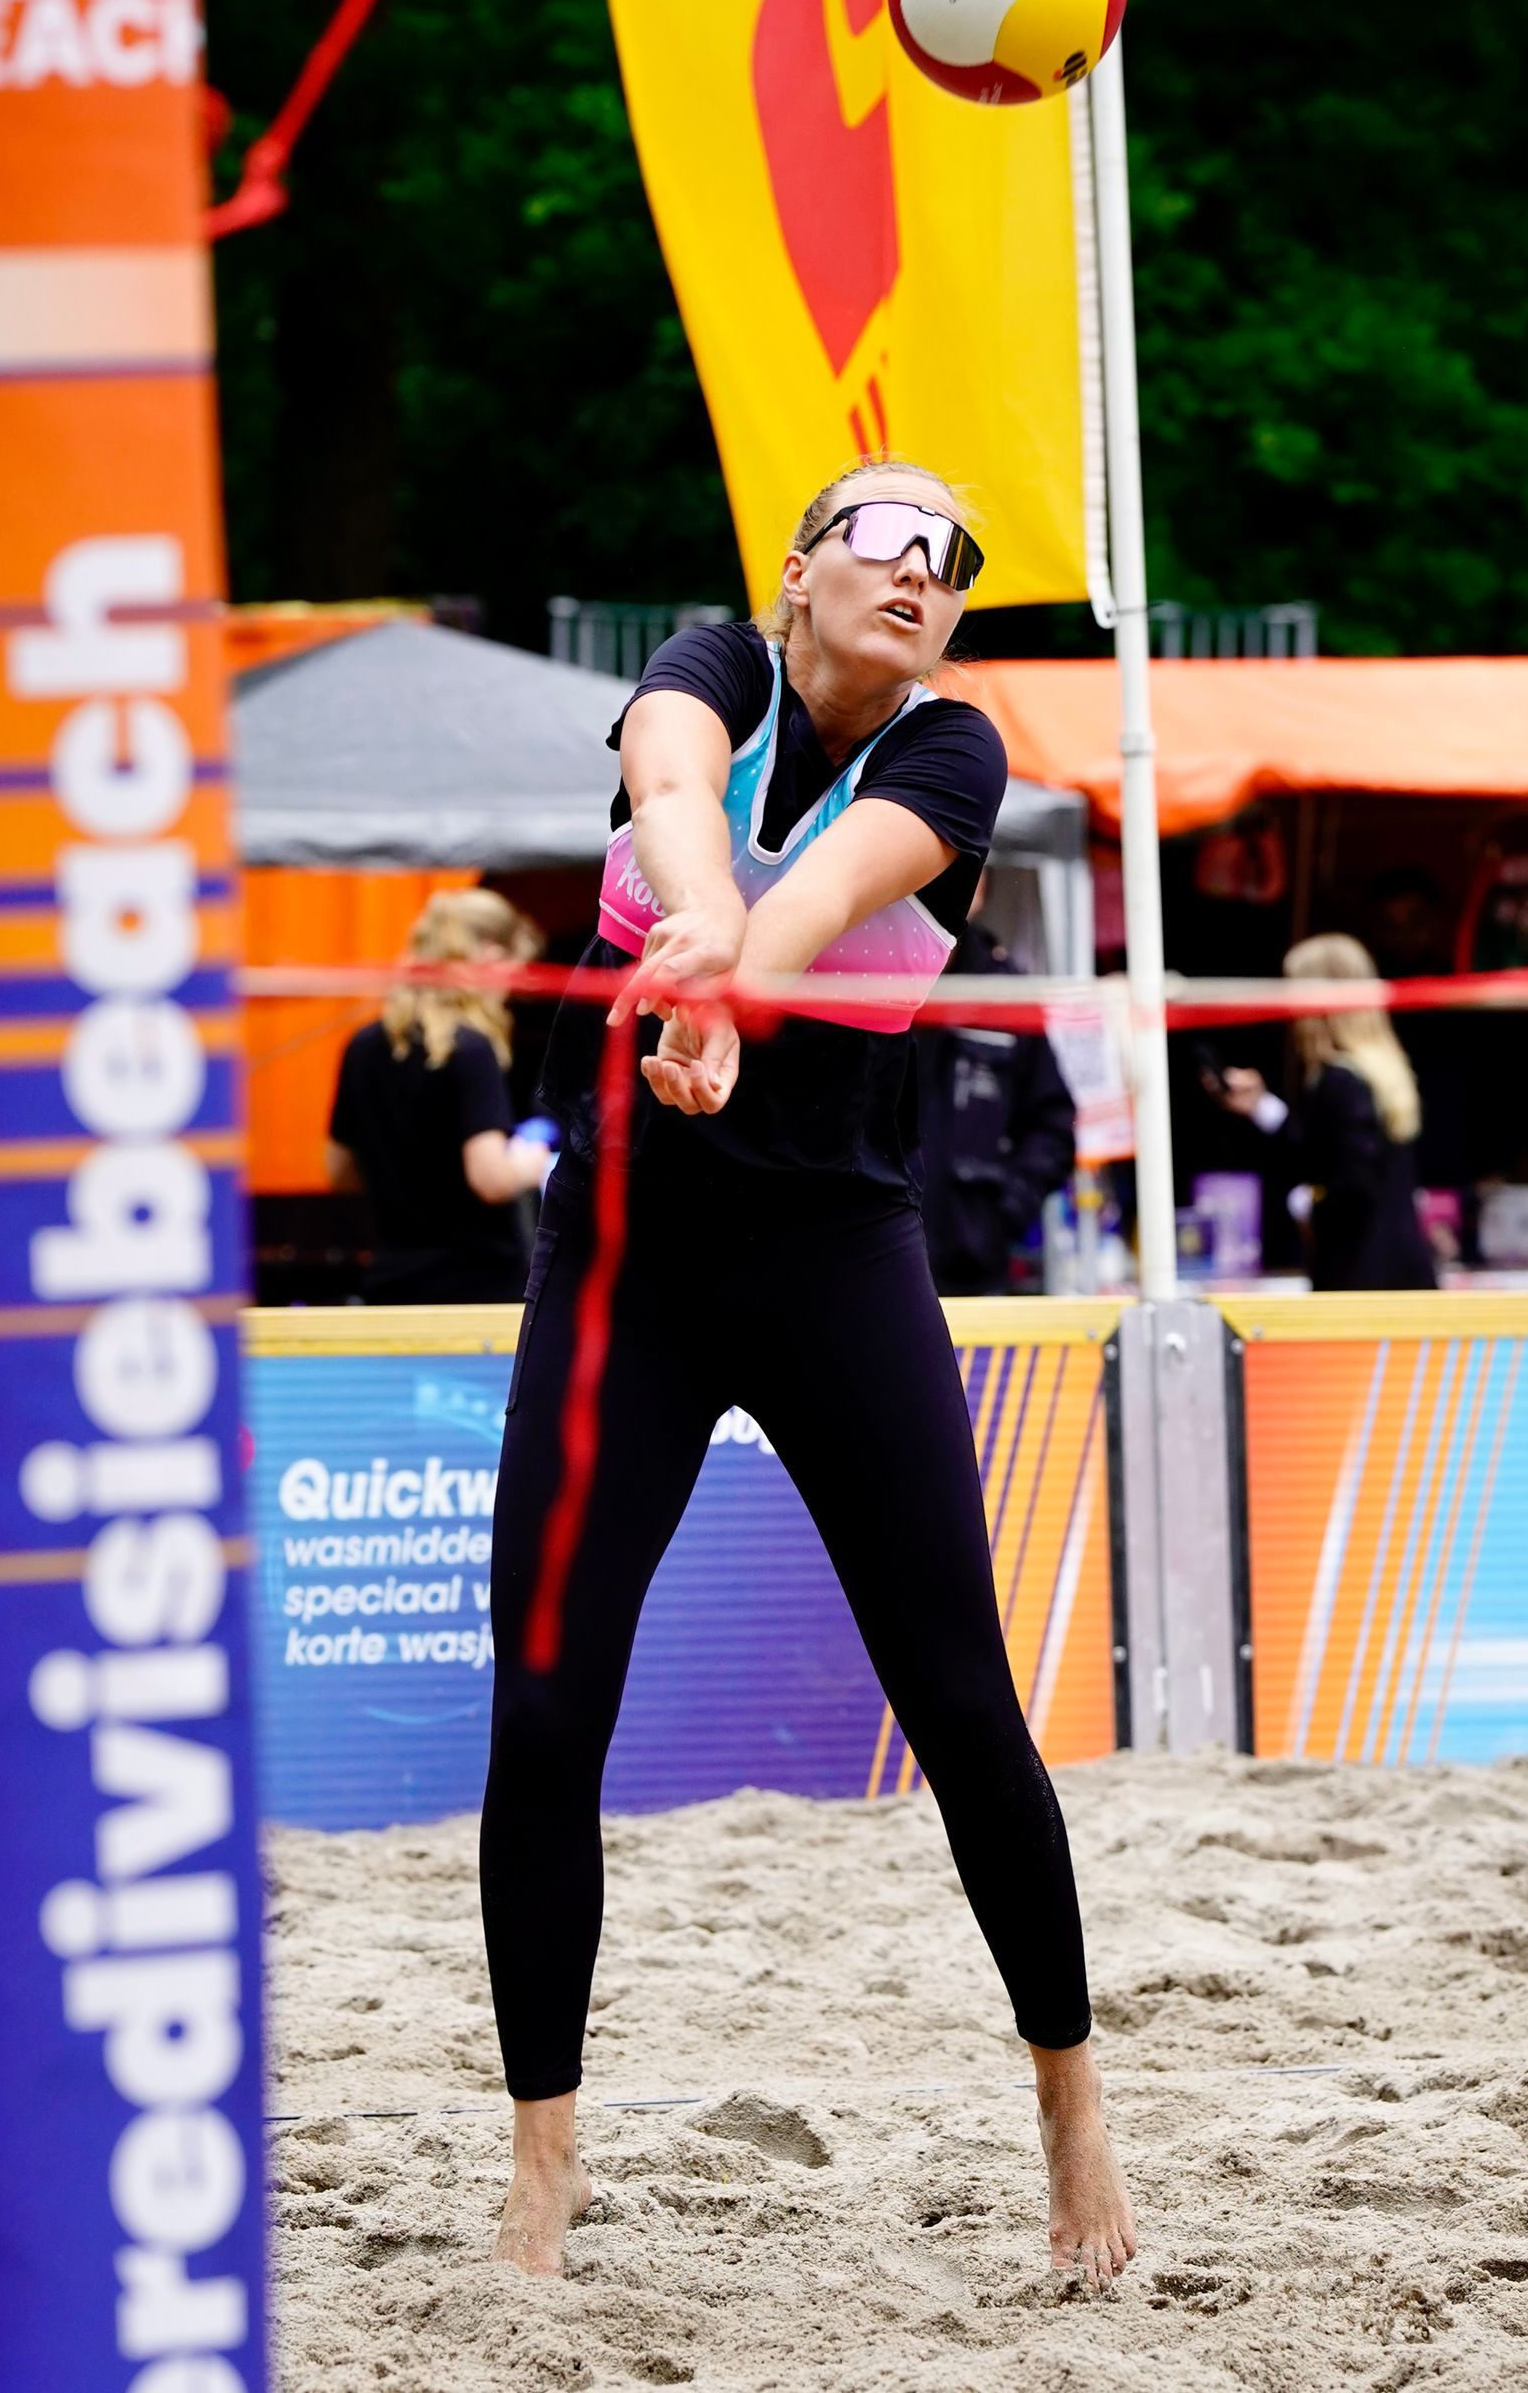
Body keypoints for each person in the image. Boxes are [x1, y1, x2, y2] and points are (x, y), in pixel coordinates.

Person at [480, 462, 1136, 2289]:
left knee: (965, 1707)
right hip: (626, 1259)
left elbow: (838, 879)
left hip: (836, 1259)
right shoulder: (703, 665)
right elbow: (678, 796)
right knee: (541, 1709)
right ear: (798, 571)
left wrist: (719, 986)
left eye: (954, 560)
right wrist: (699, 945)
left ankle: (1069, 2098)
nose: (925, 572)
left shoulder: (954, 751)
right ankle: (547, 2155)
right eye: (889, 536)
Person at [325, 887, 552, 1304]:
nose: (509, 993)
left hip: (392, 1284)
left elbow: (338, 1169)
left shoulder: (362, 1045)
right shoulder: (471, 1049)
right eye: (511, 973)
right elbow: (491, 1179)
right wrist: (532, 1158)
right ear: (486, 957)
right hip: (477, 1292)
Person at [1209, 932, 1438, 1290]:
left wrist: (1308, 1206)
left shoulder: (1341, 1079)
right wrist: (1262, 1108)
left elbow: (1352, 1182)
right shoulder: (1379, 1070)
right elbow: (1328, 1152)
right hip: (1397, 1275)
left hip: (1362, 1283)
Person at [915, 885, 1077, 1293]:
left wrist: (1004, 1206)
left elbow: (1053, 1125)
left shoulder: (1006, 993)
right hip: (871, 1259)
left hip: (974, 1272)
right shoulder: (865, 979)